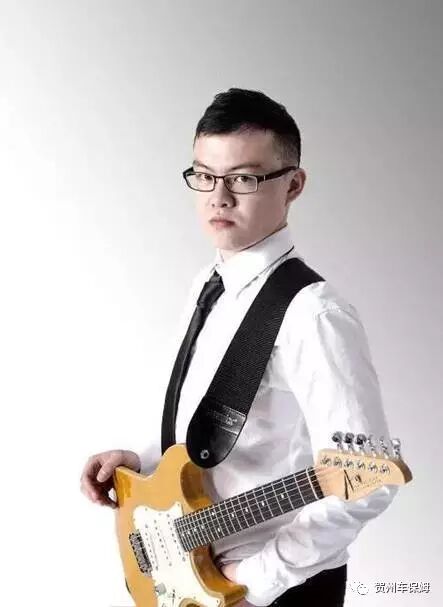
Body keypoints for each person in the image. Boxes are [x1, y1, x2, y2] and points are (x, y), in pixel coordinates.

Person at [80, 87, 398, 606]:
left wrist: (255, 578)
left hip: (274, 590)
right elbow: (205, 429)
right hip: (189, 569)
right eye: (205, 175)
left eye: (244, 178)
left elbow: (369, 479)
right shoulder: (208, 284)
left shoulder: (315, 315)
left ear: (293, 184)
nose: (218, 197)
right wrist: (141, 461)